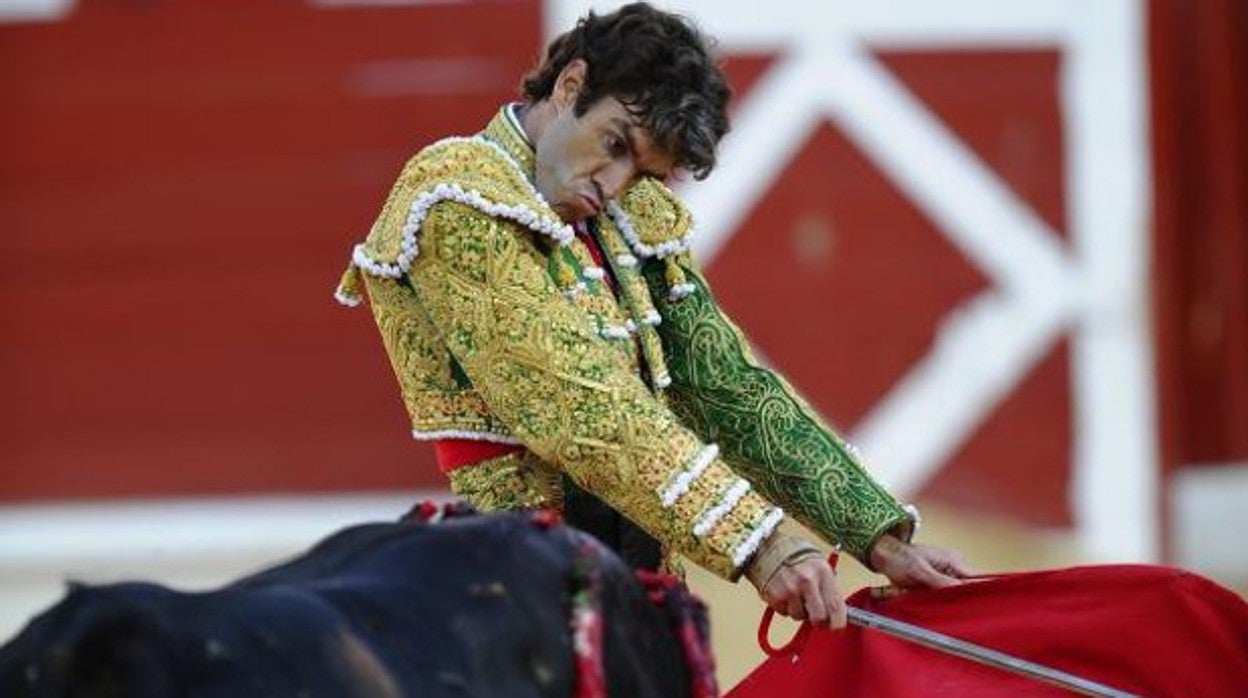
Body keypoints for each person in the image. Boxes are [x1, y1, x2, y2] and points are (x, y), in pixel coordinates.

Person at [334, 2, 969, 629]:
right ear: (571, 84)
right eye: (614, 144)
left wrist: (881, 535)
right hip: (513, 590)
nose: (613, 183)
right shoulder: (456, 195)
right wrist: (759, 540)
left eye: (642, 171)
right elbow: (576, 404)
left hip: (642, 574)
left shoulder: (628, 215)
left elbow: (726, 387)